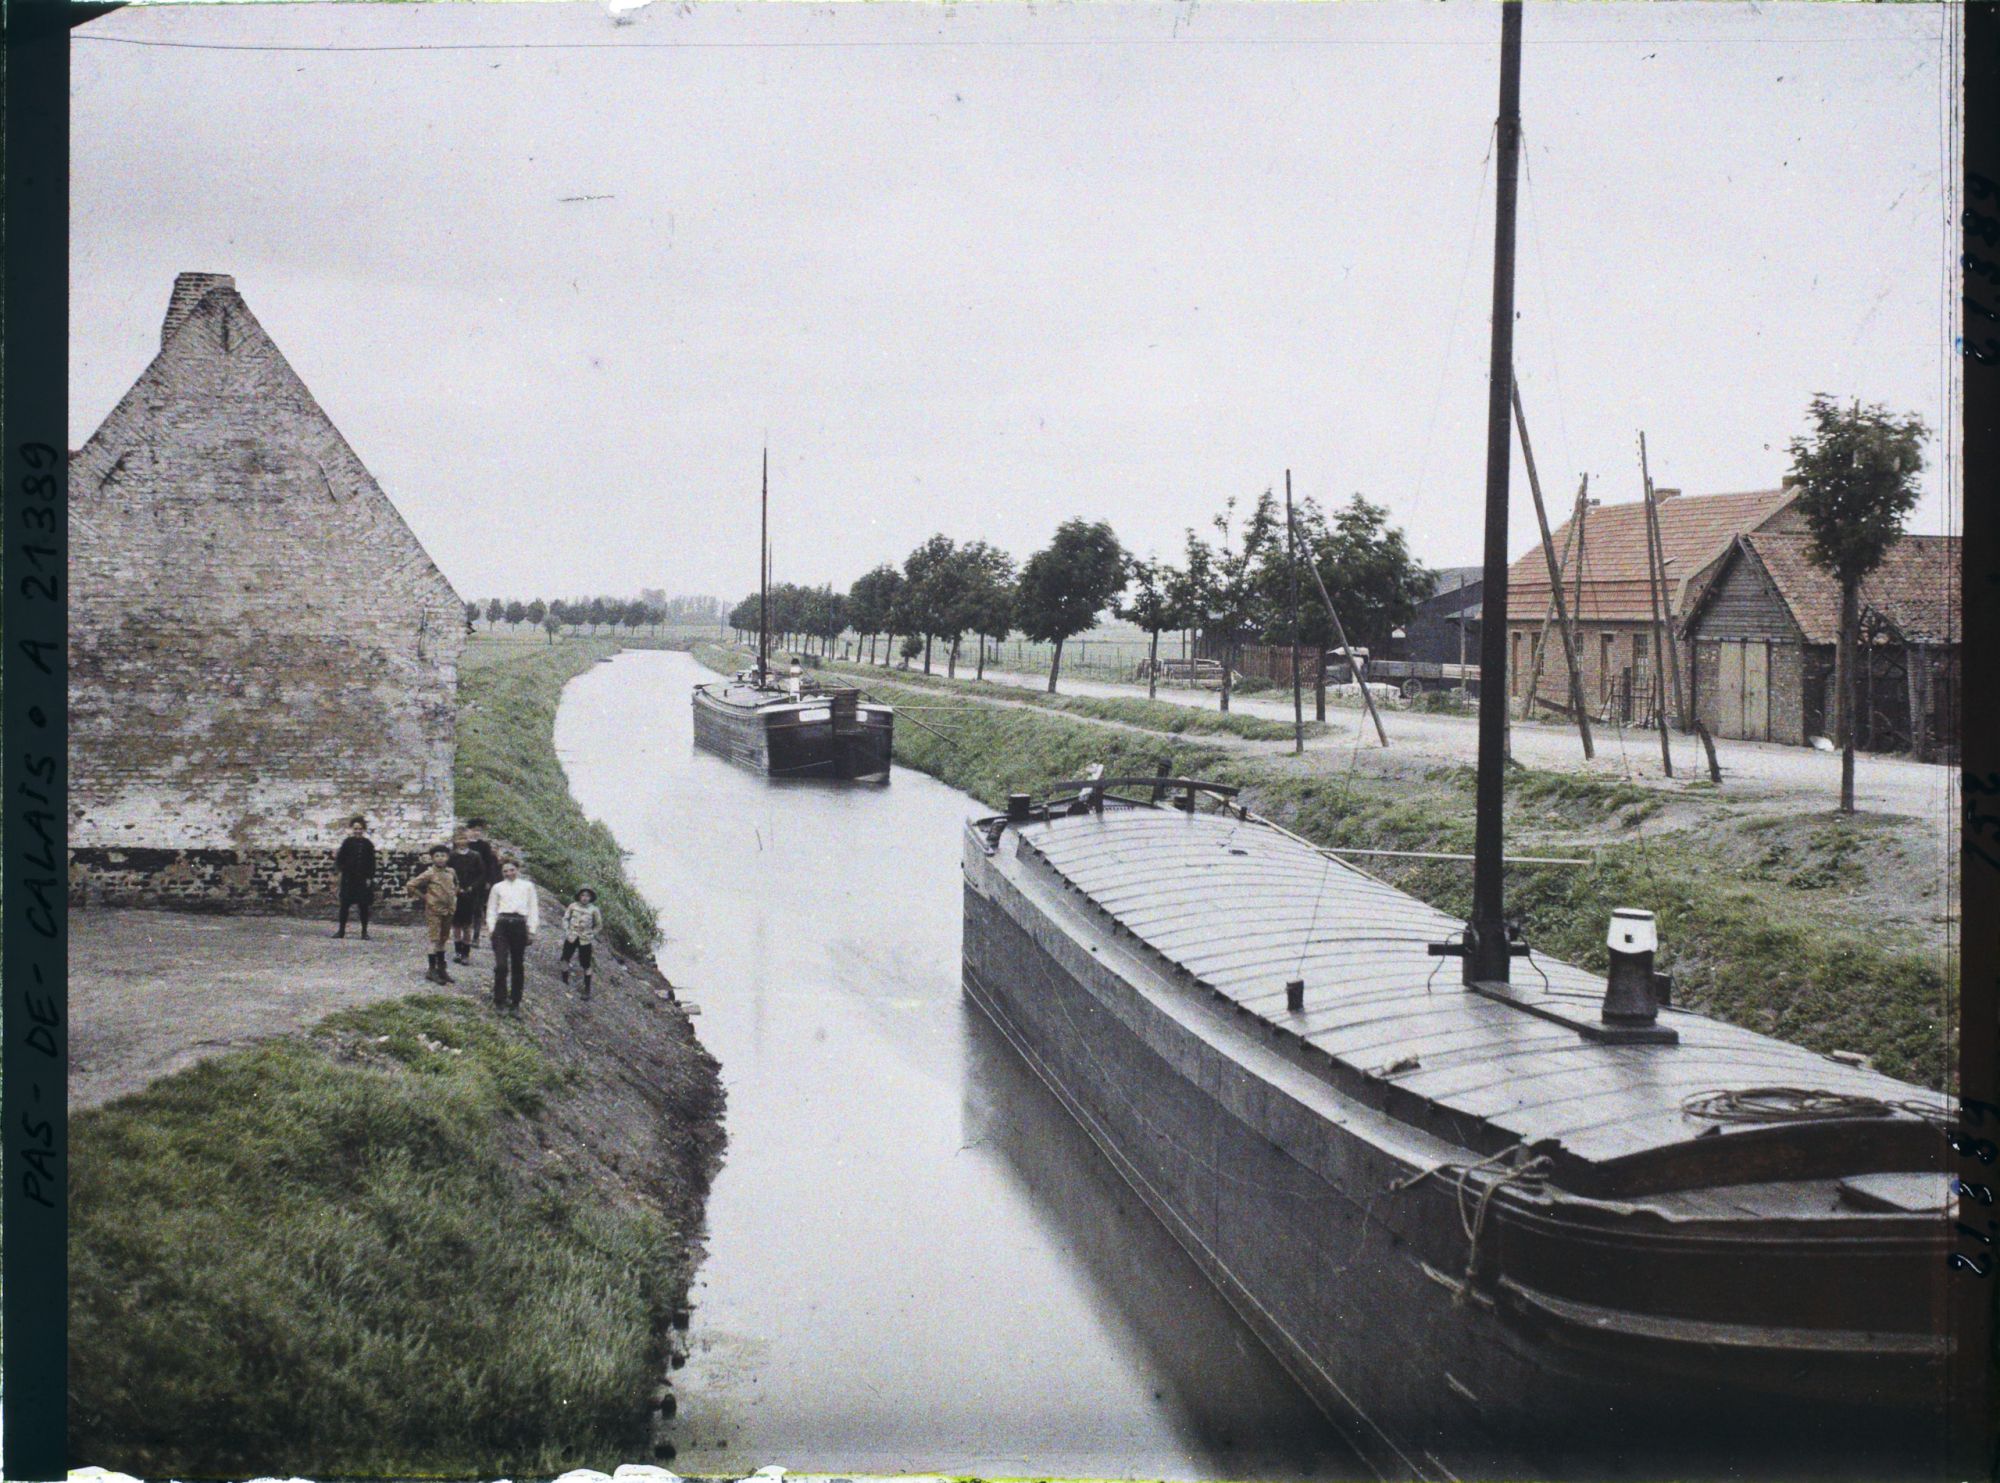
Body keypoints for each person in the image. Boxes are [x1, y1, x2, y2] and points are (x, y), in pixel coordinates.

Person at [485, 857, 539, 1013]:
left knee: (517, 965)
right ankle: (499, 1000)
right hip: (501, 925)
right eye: (505, 871)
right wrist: (491, 928)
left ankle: (515, 1002)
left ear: (518, 870)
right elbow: (491, 909)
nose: (509, 873)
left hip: (519, 925)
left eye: (511, 870)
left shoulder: (527, 886)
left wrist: (532, 930)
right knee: (501, 965)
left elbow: (533, 909)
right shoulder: (497, 887)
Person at [405, 845, 460, 985]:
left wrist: (453, 897)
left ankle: (442, 969)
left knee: (443, 938)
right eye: (437, 856)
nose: (440, 858)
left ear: (447, 857)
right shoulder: (429, 873)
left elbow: (456, 885)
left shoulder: (451, 871)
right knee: (434, 939)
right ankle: (431, 970)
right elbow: (411, 885)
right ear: (432, 858)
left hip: (449, 910)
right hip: (434, 910)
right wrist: (426, 898)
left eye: (443, 855)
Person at [446, 827, 489, 966]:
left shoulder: (475, 856)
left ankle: (466, 954)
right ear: (454, 841)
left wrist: (472, 887)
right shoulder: (451, 856)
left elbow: (481, 874)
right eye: (459, 839)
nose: (461, 842)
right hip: (456, 893)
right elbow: (448, 874)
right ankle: (458, 952)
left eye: (464, 839)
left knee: (467, 925)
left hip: (471, 894)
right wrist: (454, 887)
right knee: (456, 924)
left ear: (468, 840)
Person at [333, 816, 377, 939]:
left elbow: (372, 862)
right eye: (355, 828)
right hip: (348, 879)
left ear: (364, 830)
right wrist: (341, 872)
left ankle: (364, 932)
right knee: (344, 905)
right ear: (352, 829)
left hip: (362, 880)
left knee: (363, 906)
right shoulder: (347, 842)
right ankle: (341, 931)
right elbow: (340, 859)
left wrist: (369, 877)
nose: (358, 831)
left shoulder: (368, 844)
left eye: (360, 829)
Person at [559, 887, 604, 999]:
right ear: (579, 896)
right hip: (571, 937)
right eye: (583, 895)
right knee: (565, 958)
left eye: (587, 896)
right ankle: (564, 982)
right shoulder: (573, 906)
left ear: (591, 898)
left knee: (586, 964)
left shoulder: (594, 910)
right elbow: (566, 918)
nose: (585, 898)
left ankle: (587, 990)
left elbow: (598, 925)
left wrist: (592, 934)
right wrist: (567, 930)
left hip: (585, 939)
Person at [463, 819, 502, 948]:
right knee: (465, 909)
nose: (476, 833)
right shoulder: (464, 844)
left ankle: (476, 937)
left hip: (480, 881)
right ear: (468, 831)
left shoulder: (484, 846)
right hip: (465, 881)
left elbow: (490, 865)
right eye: (474, 830)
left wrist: (489, 881)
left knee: (477, 909)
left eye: (479, 831)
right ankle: (465, 937)